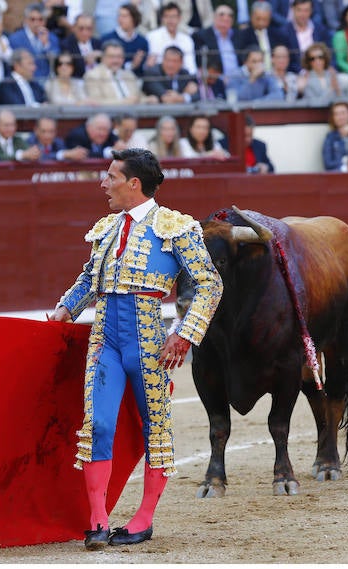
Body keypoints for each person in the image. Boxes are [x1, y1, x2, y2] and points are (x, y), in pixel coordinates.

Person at [49, 147, 222, 550]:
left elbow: (209, 284)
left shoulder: (175, 227)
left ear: (134, 183)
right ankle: (97, 520)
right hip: (104, 336)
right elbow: (90, 279)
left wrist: (184, 334)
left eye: (110, 176)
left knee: (155, 429)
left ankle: (143, 519)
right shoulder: (107, 228)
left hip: (148, 340)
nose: (102, 182)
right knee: (98, 424)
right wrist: (64, 309)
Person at [84, 41, 153, 104]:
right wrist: (124, 102)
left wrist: (148, 99)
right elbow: (96, 102)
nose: (116, 60)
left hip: (135, 114)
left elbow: (138, 97)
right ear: (103, 57)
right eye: (111, 56)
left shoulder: (129, 75)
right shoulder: (93, 75)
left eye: (119, 57)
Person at [8, 3, 60, 81]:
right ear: (26, 20)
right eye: (32, 19)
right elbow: (13, 64)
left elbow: (56, 62)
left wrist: (46, 44)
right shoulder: (15, 38)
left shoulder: (52, 38)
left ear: (45, 20)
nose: (36, 23)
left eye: (40, 19)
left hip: (47, 81)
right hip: (26, 81)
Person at [236, 1, 291, 72]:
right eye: (258, 19)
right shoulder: (242, 36)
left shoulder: (279, 35)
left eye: (265, 19)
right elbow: (240, 60)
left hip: (276, 76)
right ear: (252, 16)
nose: (261, 23)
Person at [147, 2, 198, 74]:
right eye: (167, 16)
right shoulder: (152, 37)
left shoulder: (187, 40)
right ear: (162, 19)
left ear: (179, 18)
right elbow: (152, 63)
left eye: (174, 16)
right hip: (160, 77)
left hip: (181, 78)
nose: (170, 20)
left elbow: (190, 67)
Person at [193, 4, 243, 76]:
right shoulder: (201, 36)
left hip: (239, 78)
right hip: (216, 79)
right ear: (214, 17)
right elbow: (200, 64)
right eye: (221, 15)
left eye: (230, 16)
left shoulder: (238, 35)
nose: (226, 17)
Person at [282, 0, 332, 72]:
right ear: (293, 9)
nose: (303, 14)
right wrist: (302, 72)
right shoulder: (284, 31)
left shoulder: (320, 29)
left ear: (311, 11)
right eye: (299, 10)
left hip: (321, 71)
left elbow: (329, 53)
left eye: (306, 10)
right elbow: (288, 61)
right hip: (297, 73)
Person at [99, 3, 149, 74]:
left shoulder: (142, 42)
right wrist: (132, 65)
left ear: (134, 18)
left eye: (124, 16)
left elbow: (142, 68)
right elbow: (105, 65)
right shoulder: (106, 39)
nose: (120, 19)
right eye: (119, 15)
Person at [60, 13, 102, 78]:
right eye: (81, 28)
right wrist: (85, 60)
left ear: (93, 29)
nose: (85, 32)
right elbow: (69, 65)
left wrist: (101, 55)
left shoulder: (98, 43)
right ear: (74, 28)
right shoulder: (66, 44)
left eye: (89, 28)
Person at [322, 99, 348, 171]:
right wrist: (346, 164)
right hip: (338, 174)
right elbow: (328, 163)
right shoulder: (330, 137)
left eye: (343, 113)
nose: (340, 117)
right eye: (336, 114)